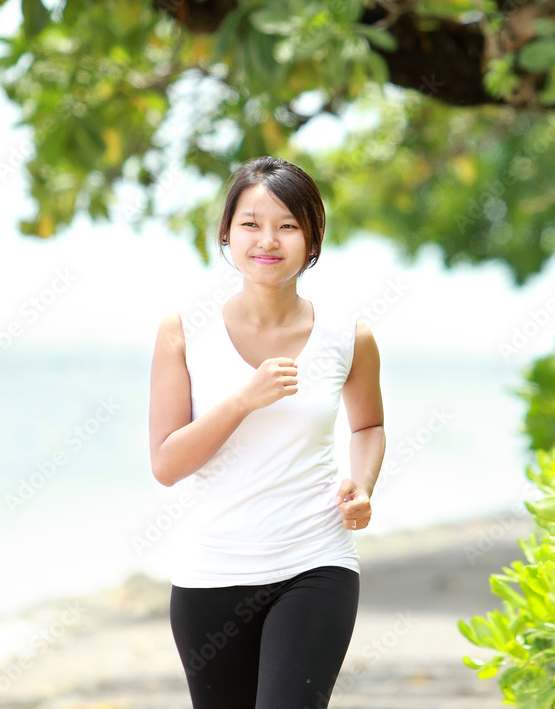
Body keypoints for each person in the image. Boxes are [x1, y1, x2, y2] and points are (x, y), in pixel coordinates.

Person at [148, 155, 386, 709]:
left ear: (313, 236)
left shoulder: (348, 336)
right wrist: (242, 401)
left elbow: (368, 425)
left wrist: (364, 484)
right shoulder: (183, 331)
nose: (268, 241)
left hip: (316, 561)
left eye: (288, 225)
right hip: (213, 572)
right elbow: (166, 464)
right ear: (227, 233)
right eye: (251, 224)